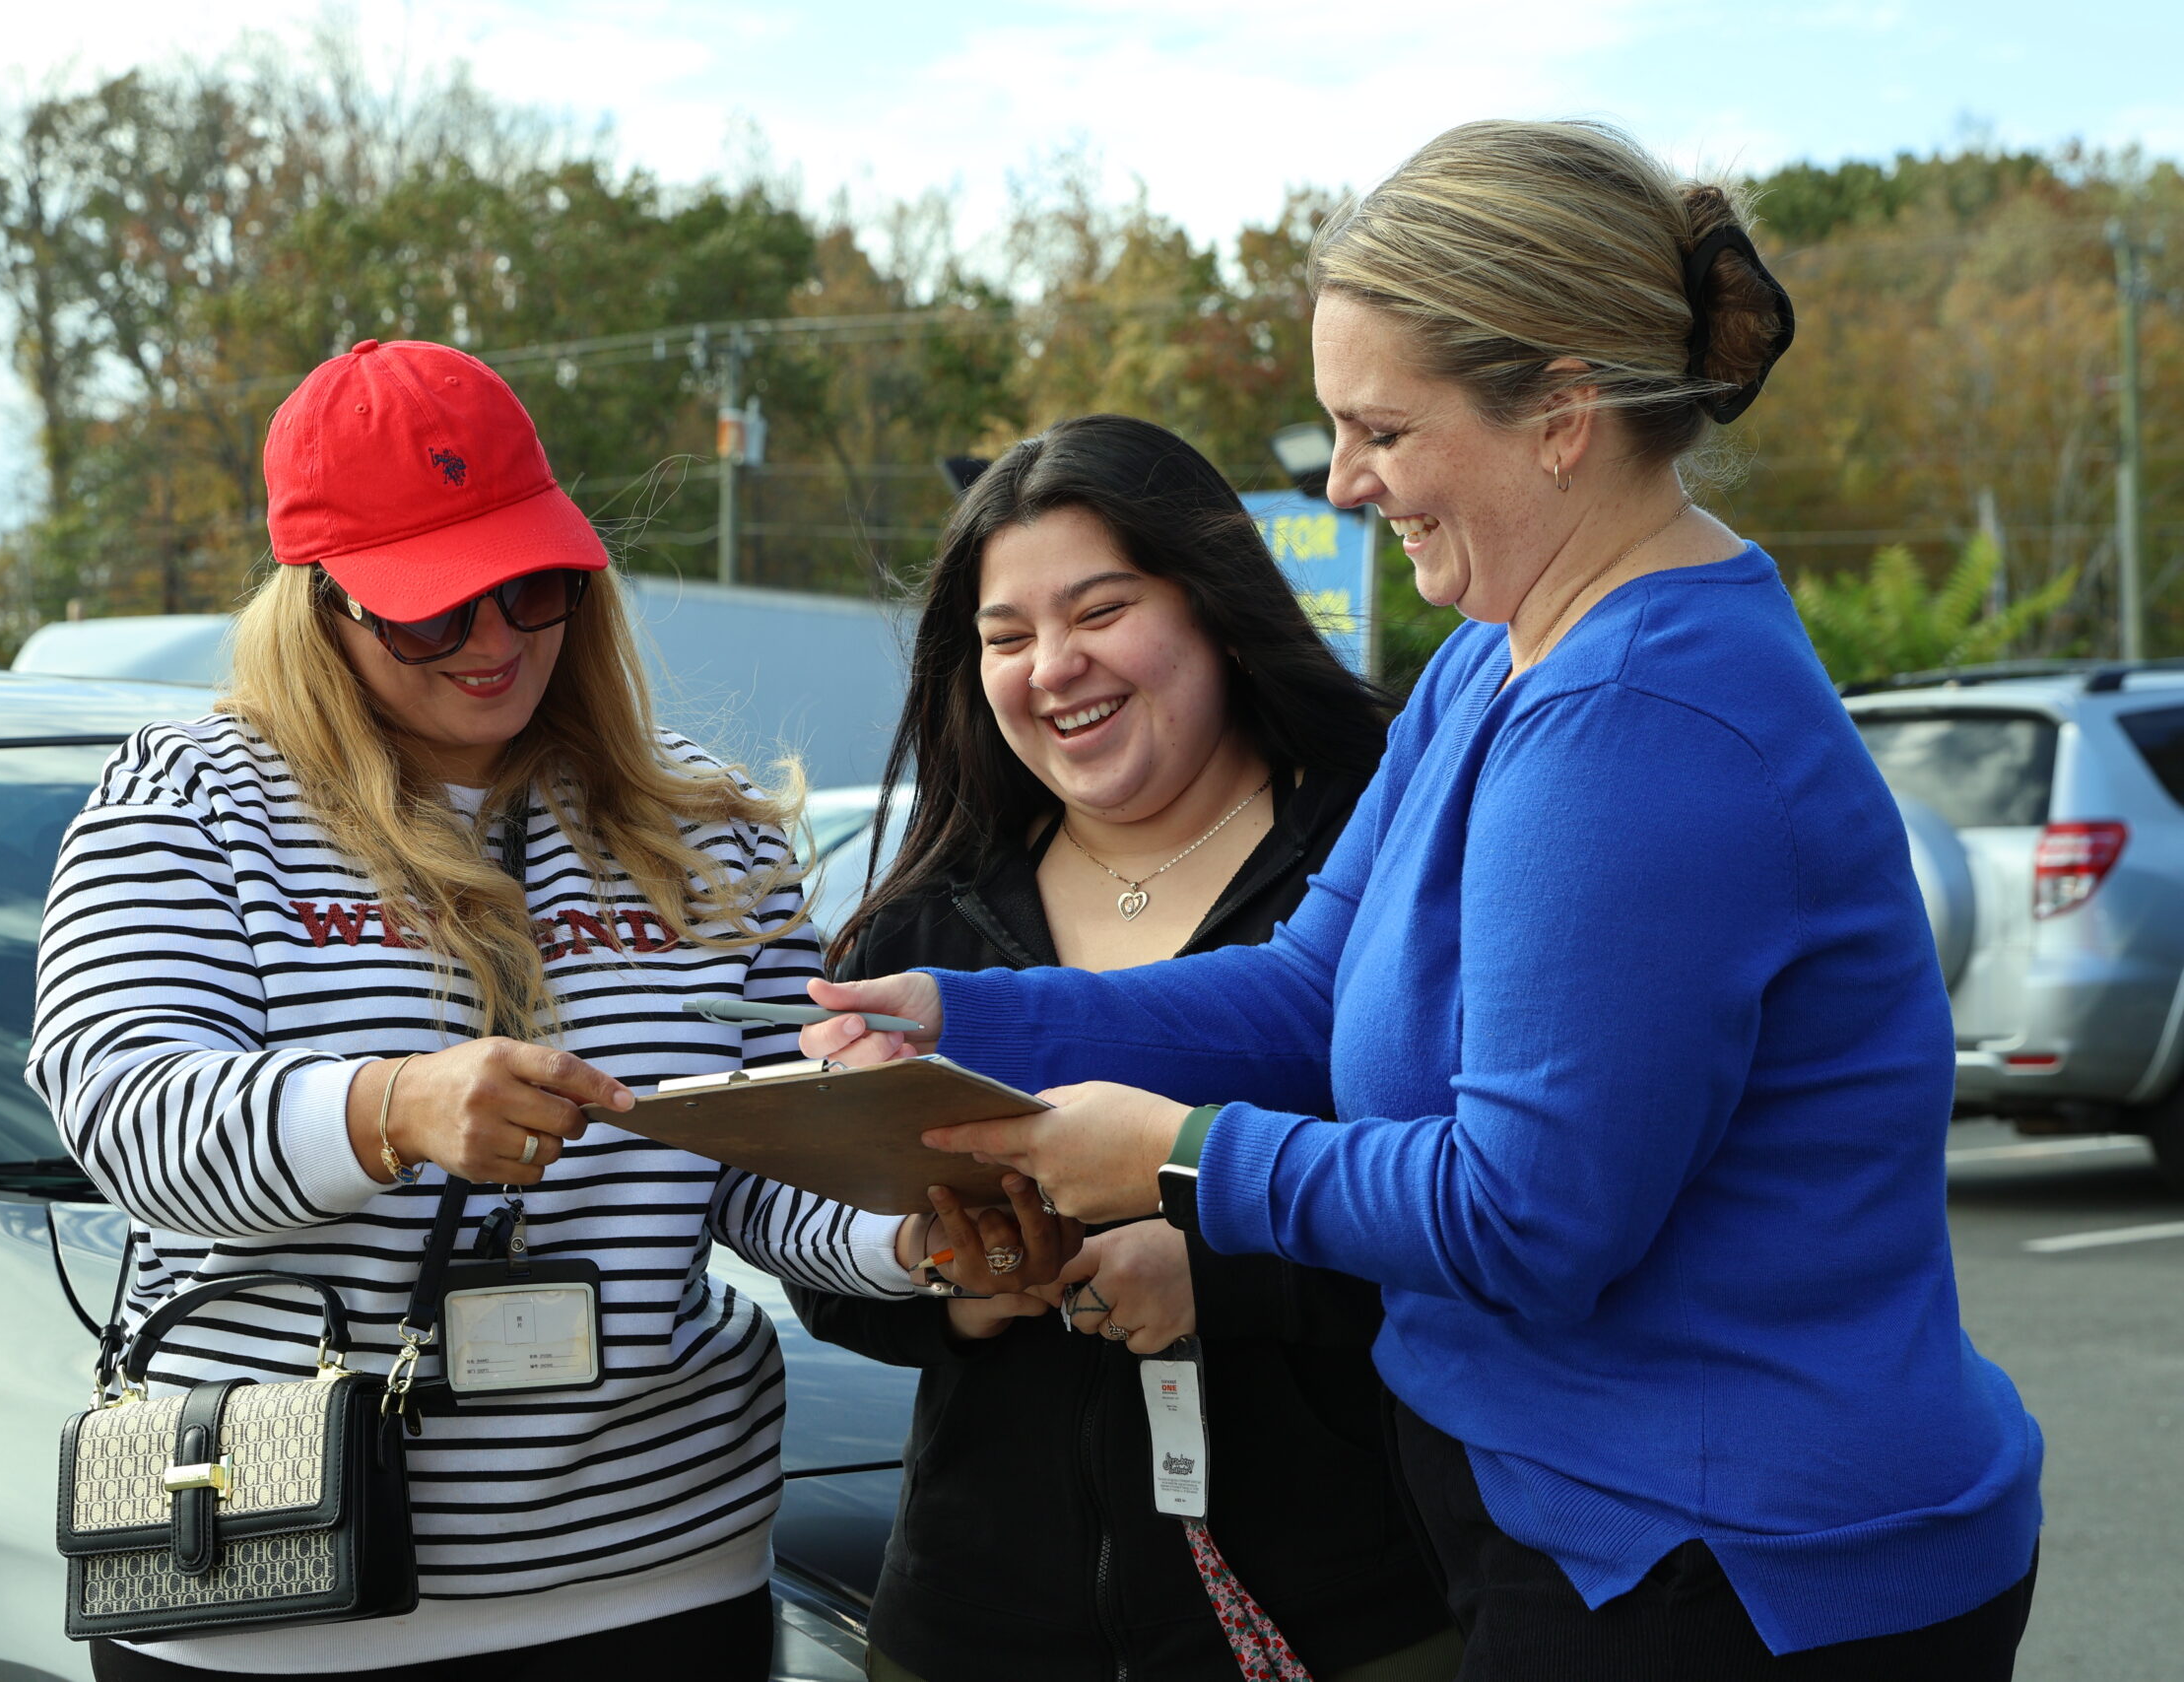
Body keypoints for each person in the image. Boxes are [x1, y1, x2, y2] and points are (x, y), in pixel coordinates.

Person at [806, 122, 2043, 1680]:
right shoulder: (1492, 663)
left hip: (1723, 1561)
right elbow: (1308, 985)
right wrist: (966, 1013)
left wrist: (1175, 1155)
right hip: (1613, 1527)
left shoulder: (1638, 722)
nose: (1343, 481)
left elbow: (1528, 1212)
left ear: (1562, 416)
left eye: (1381, 427)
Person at [28, 338, 1058, 1681]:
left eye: (532, 587)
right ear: (318, 602)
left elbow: (770, 1166)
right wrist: (388, 1108)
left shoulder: (700, 819)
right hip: (278, 1588)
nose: (496, 642)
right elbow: (125, 1109)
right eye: (432, 611)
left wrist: (920, 1234)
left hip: (659, 1574)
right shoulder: (193, 794)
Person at [788, 414, 1457, 1682]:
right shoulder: (924, 925)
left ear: (1215, 608)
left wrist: (1223, 1273)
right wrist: (962, 1284)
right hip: (975, 1628)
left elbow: (1497, 1202)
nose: (1054, 667)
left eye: (1100, 611)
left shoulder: (1376, 854)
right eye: (1006, 638)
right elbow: (830, 1261)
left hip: (1344, 1615)